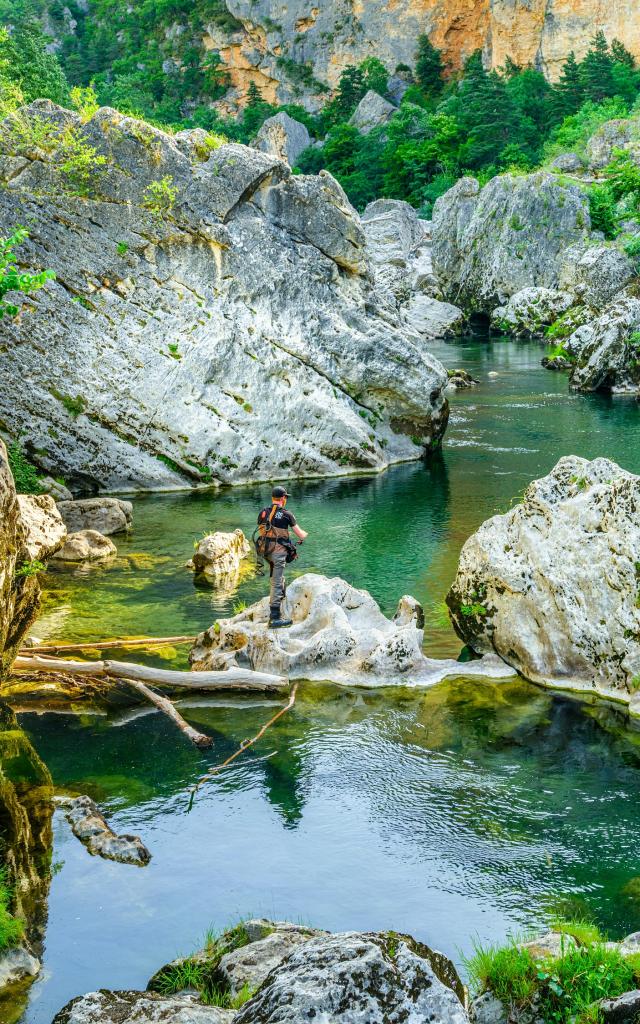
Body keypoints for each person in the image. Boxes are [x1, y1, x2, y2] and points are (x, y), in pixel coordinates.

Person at [257, 486, 308, 628]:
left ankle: (282, 597)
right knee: (277, 581)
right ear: (283, 498)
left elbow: (264, 531)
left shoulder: (263, 512)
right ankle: (274, 618)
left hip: (265, 552)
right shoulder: (286, 514)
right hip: (278, 553)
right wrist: (306, 534)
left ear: (273, 498)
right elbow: (300, 534)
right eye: (286, 498)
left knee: (275, 576)